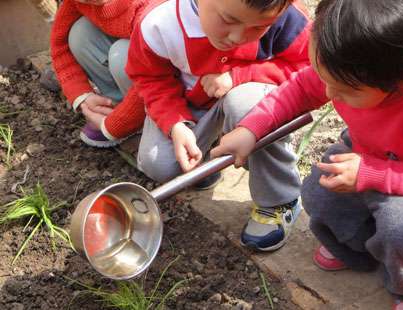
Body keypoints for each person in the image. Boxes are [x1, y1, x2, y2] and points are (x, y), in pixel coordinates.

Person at [210, 0, 403, 308]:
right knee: (319, 192)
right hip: (371, 155)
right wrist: (250, 130)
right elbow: (299, 90)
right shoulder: (346, 67)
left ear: (400, 80)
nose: (330, 94)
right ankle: (359, 250)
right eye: (326, 81)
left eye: (345, 91)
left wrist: (371, 174)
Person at [126, 0, 311, 251]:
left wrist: (238, 76)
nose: (237, 37)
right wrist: (176, 124)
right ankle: (209, 160)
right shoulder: (159, 23)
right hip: (192, 102)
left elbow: (307, 69)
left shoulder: (288, 17)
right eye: (228, 20)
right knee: (159, 163)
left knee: (245, 105)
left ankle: (279, 199)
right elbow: (150, 78)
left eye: (258, 27)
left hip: (252, 96)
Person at [51, 0, 148, 148]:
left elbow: (153, 74)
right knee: (80, 32)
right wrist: (82, 96)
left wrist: (112, 126)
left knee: (121, 55)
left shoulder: (145, 8)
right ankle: (117, 105)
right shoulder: (77, 2)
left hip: (166, 80)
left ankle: (145, 119)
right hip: (137, 57)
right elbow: (59, 46)